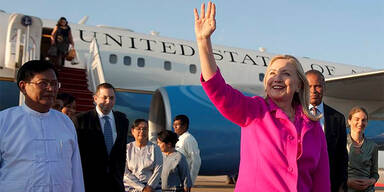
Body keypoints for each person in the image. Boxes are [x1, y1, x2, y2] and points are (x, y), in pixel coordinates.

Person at [194, 2, 330, 191]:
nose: (277, 78)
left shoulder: (314, 127)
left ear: (299, 84)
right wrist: (203, 42)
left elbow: (322, 183)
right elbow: (217, 89)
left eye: (286, 74)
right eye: (272, 73)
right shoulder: (253, 111)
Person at [0, 60, 84, 191]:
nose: (51, 89)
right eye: (43, 83)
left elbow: (75, 170)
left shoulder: (65, 122)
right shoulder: (4, 121)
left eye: (54, 84)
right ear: (23, 86)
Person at [72, 83, 130, 192]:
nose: (108, 101)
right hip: (89, 183)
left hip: (115, 184)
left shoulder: (122, 121)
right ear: (95, 98)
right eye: (104, 97)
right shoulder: (81, 120)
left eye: (111, 98)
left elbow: (121, 152)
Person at [306, 69, 348, 192]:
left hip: (330, 184)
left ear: (324, 87)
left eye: (318, 86)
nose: (313, 91)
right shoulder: (294, 115)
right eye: (309, 86)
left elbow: (342, 156)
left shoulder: (338, 118)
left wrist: (342, 185)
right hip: (301, 183)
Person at [123, 119, 162, 192]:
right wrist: (142, 188)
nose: (142, 131)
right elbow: (125, 172)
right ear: (132, 131)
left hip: (151, 188)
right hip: (131, 187)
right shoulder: (127, 148)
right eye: (138, 129)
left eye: (145, 129)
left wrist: (149, 188)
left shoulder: (155, 148)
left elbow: (158, 170)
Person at [346, 106, 379, 192]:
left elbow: (375, 174)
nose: (360, 123)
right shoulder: (340, 143)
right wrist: (347, 182)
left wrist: (369, 182)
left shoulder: (373, 146)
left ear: (367, 123)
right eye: (357, 119)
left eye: (363, 120)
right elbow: (332, 170)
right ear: (349, 121)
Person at [173, 114, 201, 185]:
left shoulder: (188, 139)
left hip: (184, 180)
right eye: (174, 124)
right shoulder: (179, 139)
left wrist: (190, 180)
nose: (174, 127)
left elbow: (196, 161)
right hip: (176, 179)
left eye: (177, 125)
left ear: (184, 126)